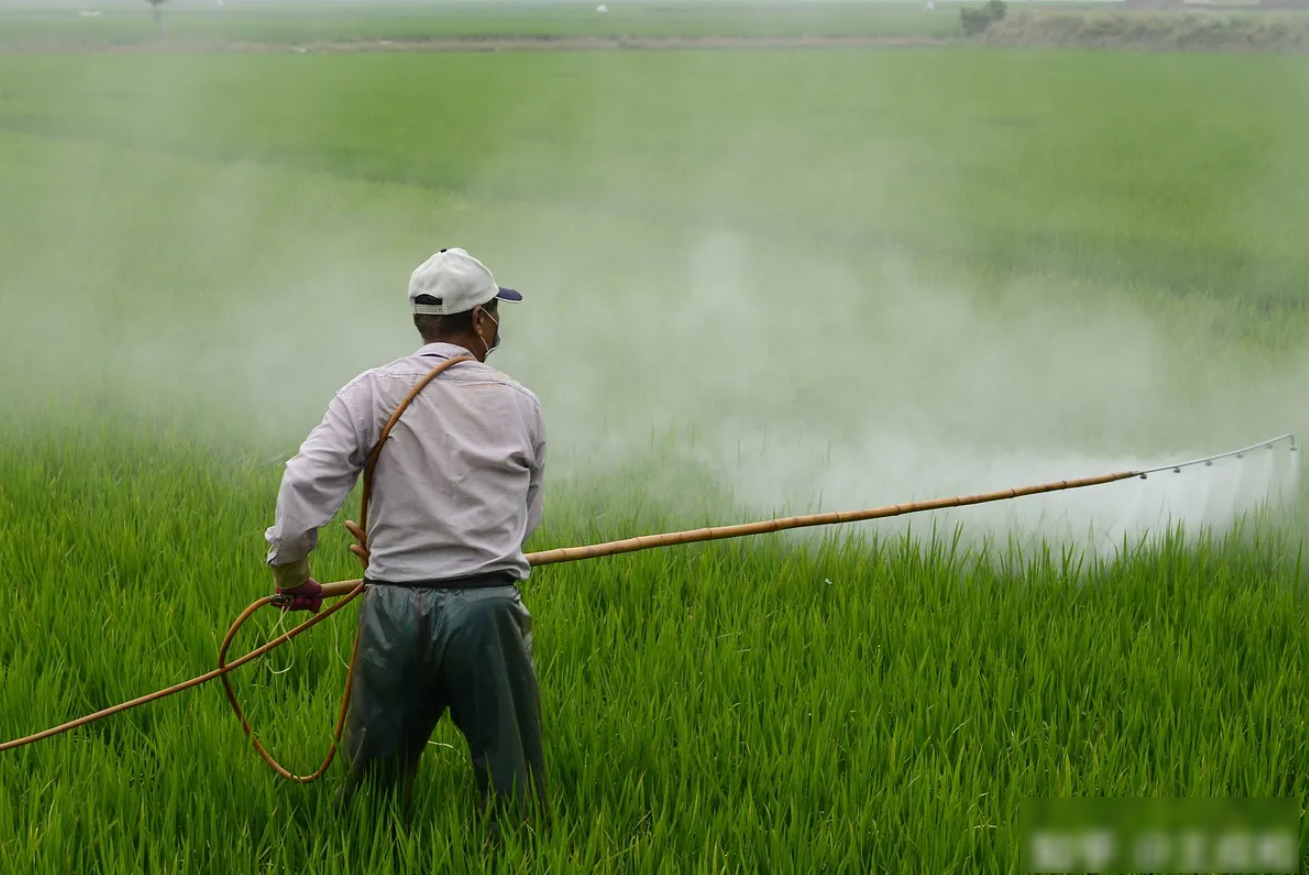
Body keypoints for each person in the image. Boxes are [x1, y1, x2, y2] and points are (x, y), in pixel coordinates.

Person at [262, 247, 548, 832]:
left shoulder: (370, 391)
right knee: (513, 791)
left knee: (373, 800)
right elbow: (522, 525)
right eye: (495, 311)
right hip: (487, 612)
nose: (497, 322)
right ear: (479, 320)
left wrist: (292, 576)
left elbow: (304, 482)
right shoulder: (520, 405)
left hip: (393, 608)